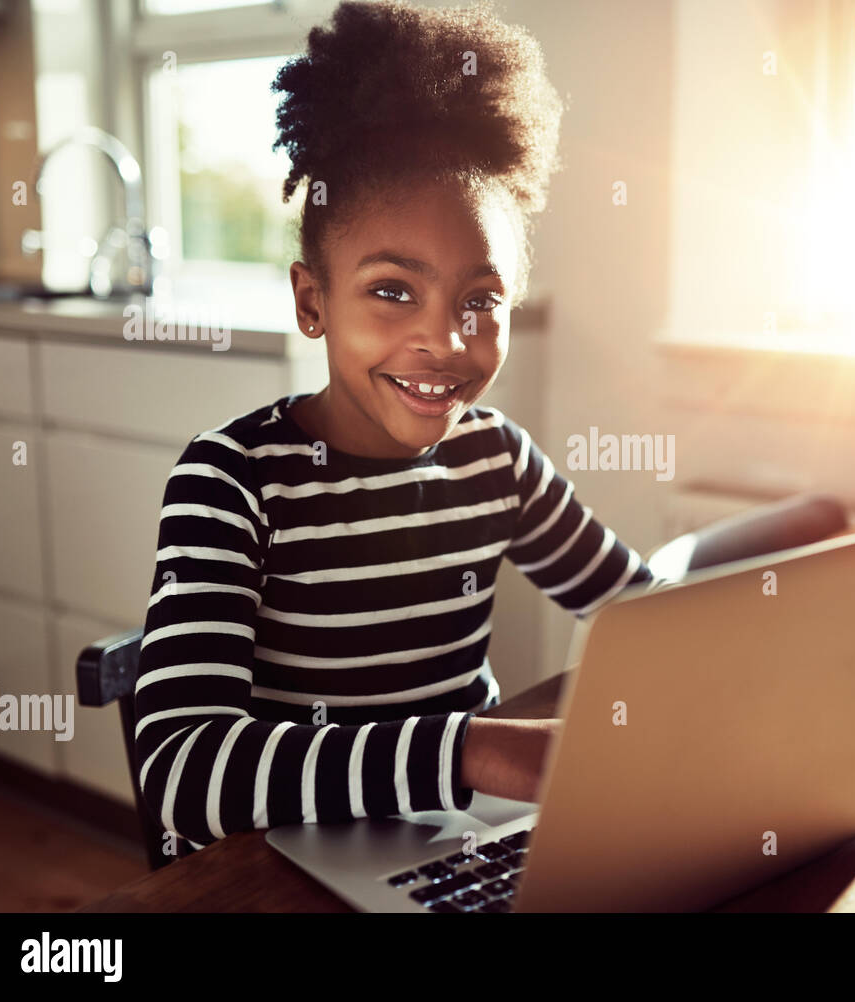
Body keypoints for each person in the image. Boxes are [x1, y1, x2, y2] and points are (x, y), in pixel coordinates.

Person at [133, 0, 666, 852]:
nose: (444, 341)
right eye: (391, 291)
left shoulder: (497, 461)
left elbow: (645, 619)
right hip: (277, 870)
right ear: (313, 302)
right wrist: (471, 751)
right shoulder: (232, 484)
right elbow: (183, 774)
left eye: (480, 302)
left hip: (451, 845)